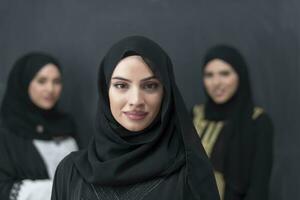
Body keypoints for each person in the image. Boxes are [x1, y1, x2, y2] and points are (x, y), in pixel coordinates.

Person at [51, 36, 220, 200]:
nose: (136, 100)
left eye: (150, 86)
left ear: (166, 93)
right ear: (105, 91)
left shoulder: (190, 173)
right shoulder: (70, 172)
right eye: (121, 85)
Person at [192, 45, 273, 200]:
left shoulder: (257, 121)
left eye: (225, 74)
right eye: (209, 75)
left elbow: (258, 189)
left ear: (239, 75)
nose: (216, 82)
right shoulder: (195, 115)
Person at [0, 52, 79, 200]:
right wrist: (63, 189)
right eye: (42, 81)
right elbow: (4, 188)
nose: (50, 89)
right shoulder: (6, 132)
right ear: (24, 83)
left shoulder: (66, 124)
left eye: (56, 81)